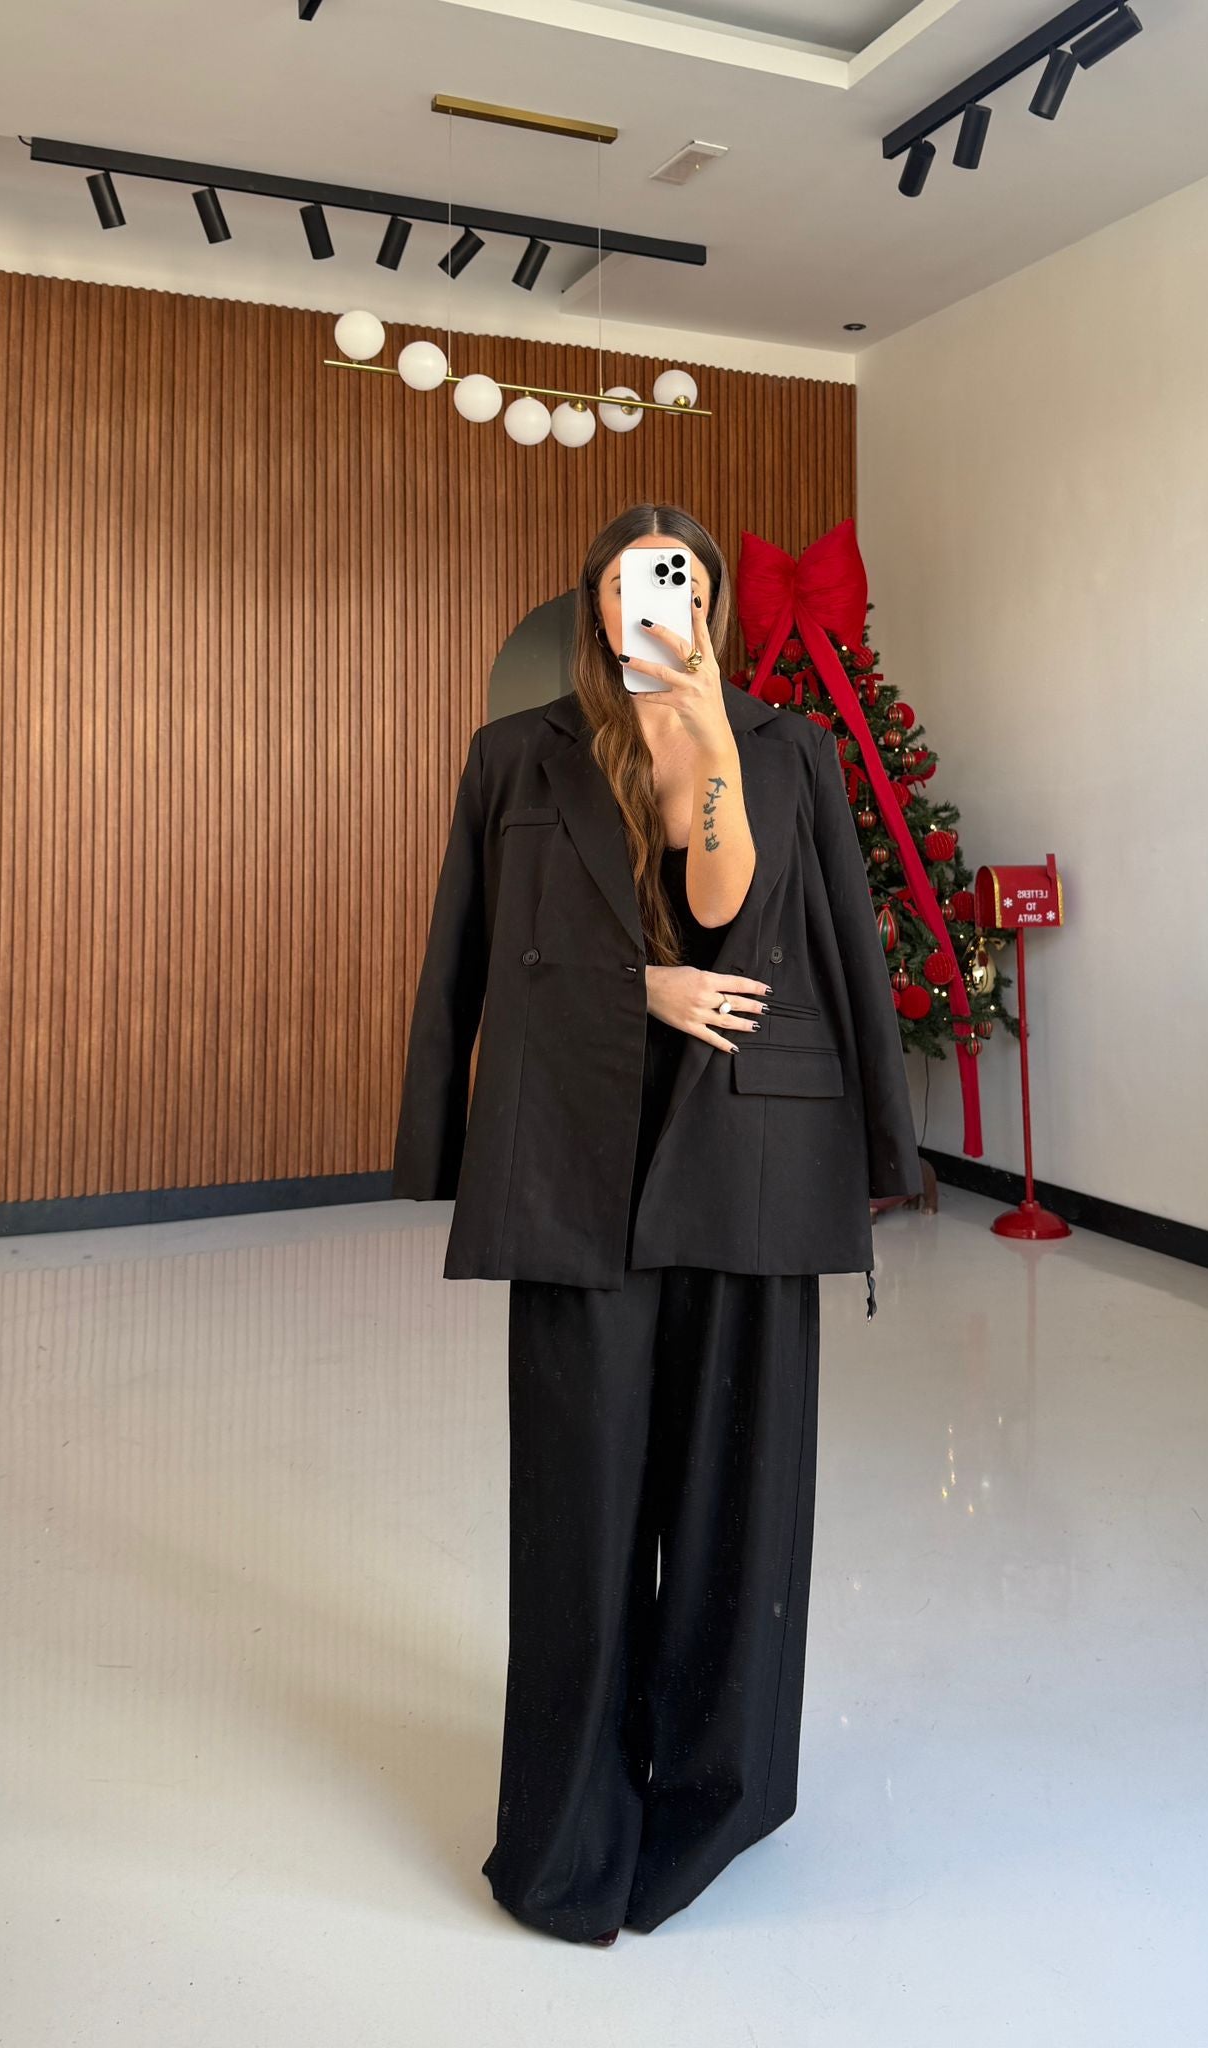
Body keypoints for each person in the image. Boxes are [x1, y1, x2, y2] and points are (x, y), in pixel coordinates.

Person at [392, 502, 922, 1945]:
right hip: (576, 1156)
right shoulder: (516, 756)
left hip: (747, 1160)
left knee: (738, 1501)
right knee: (579, 1503)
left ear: (712, 603)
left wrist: (709, 743)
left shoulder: (784, 749)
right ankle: (568, 1822)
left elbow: (773, 923)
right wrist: (634, 993)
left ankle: (714, 1797)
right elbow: (478, 954)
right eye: (632, 582)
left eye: (681, 581)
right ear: (595, 601)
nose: (658, 603)